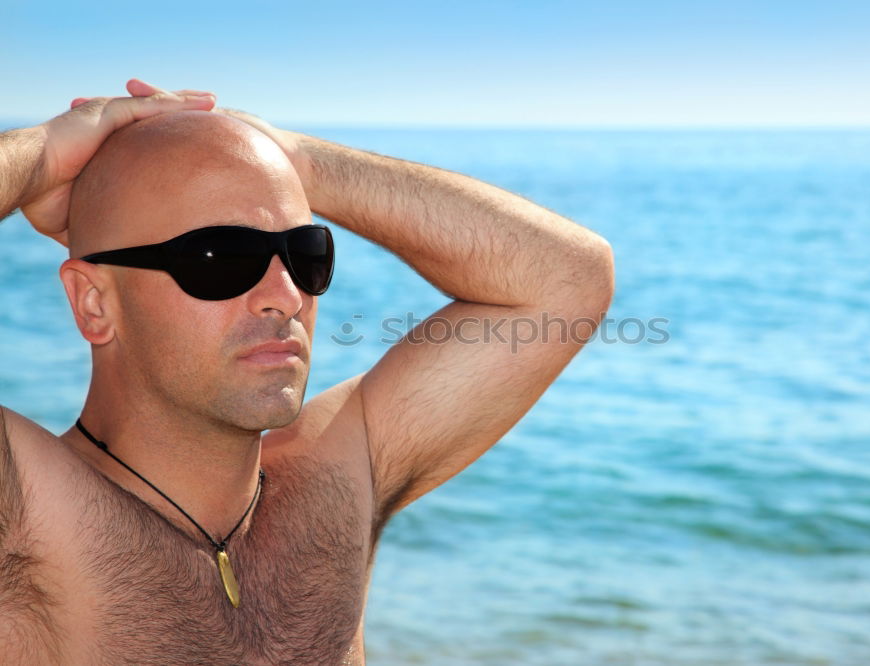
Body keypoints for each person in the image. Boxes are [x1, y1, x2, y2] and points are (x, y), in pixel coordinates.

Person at [0, 79, 614, 664]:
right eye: (220, 258)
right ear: (93, 304)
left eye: (304, 254)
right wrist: (46, 155)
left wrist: (292, 159)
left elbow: (565, 277)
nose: (286, 296)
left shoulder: (338, 479)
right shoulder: (26, 509)